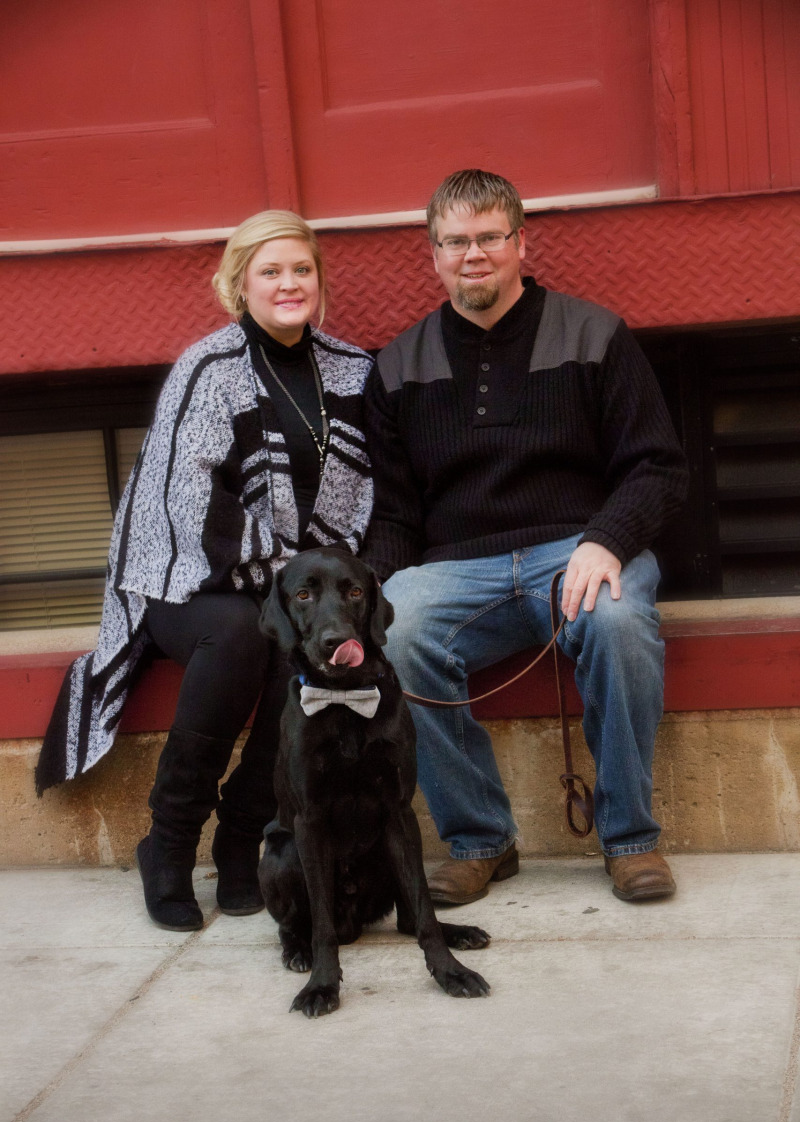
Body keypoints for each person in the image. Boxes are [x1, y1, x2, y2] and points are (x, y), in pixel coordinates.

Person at [36, 211, 374, 931]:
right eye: (270, 271)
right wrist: (284, 576)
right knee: (246, 634)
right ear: (239, 283)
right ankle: (169, 841)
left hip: (292, 585)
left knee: (299, 647)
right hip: (187, 577)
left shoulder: (351, 369)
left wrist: (310, 585)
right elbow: (186, 498)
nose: (289, 283)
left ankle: (244, 833)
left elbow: (369, 488)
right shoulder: (210, 367)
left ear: (320, 280)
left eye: (302, 269)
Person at [362, 169, 689, 906]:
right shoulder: (398, 366)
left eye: (488, 237)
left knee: (617, 621)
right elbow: (395, 513)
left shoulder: (593, 334)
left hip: (576, 550)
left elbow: (658, 468)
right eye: (455, 242)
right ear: (434, 254)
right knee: (397, 629)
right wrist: (372, 592)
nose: (472, 254)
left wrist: (607, 539)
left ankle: (630, 839)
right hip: (457, 569)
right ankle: (481, 841)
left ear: (519, 242)